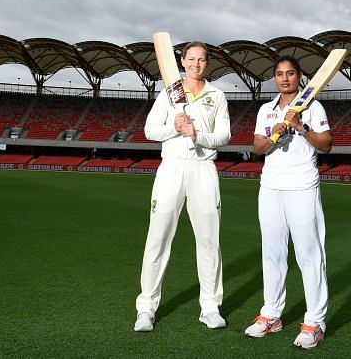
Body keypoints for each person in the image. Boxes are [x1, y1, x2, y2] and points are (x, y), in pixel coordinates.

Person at [134, 41, 231, 332]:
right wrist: (174, 128)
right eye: (191, 59)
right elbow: (150, 130)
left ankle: (210, 307)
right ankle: (146, 309)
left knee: (209, 242)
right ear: (183, 61)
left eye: (201, 60)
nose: (196, 64)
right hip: (172, 169)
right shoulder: (168, 93)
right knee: (158, 239)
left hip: (204, 170)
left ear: (207, 63)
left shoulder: (217, 95)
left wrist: (197, 133)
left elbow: (224, 135)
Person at [244, 55, 333, 349]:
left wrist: (299, 126)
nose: (285, 78)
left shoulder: (313, 106)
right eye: (280, 74)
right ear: (275, 78)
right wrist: (274, 134)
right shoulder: (266, 109)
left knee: (309, 254)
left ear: (299, 76)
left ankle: (315, 322)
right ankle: (272, 314)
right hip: (270, 186)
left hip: (302, 186)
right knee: (272, 253)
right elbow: (257, 148)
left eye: (290, 73)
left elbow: (327, 144)